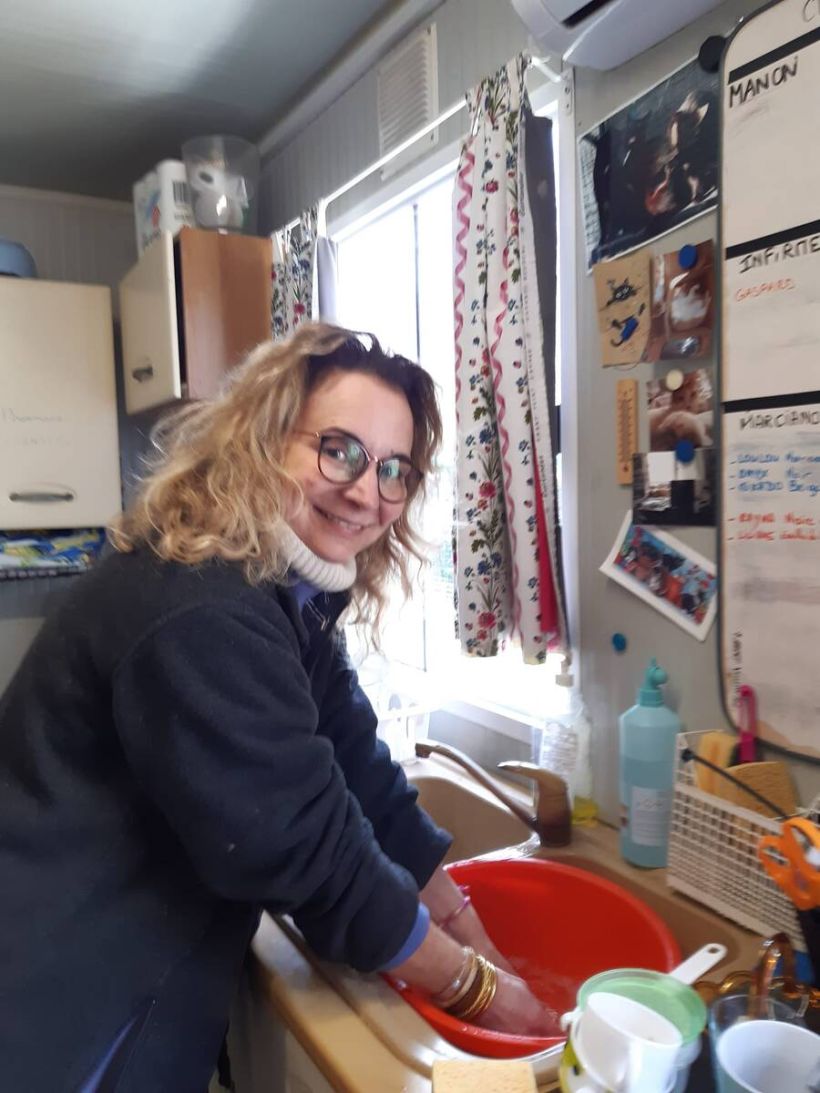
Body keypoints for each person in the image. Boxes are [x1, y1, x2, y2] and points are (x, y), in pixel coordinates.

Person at [0, 322, 554, 1092]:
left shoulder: (272, 586)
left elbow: (357, 766)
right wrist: (479, 989)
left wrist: (470, 931)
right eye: (340, 449)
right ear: (260, 439)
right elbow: (316, 856)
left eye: (394, 469)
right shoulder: (201, 608)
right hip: (59, 986)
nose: (367, 491)